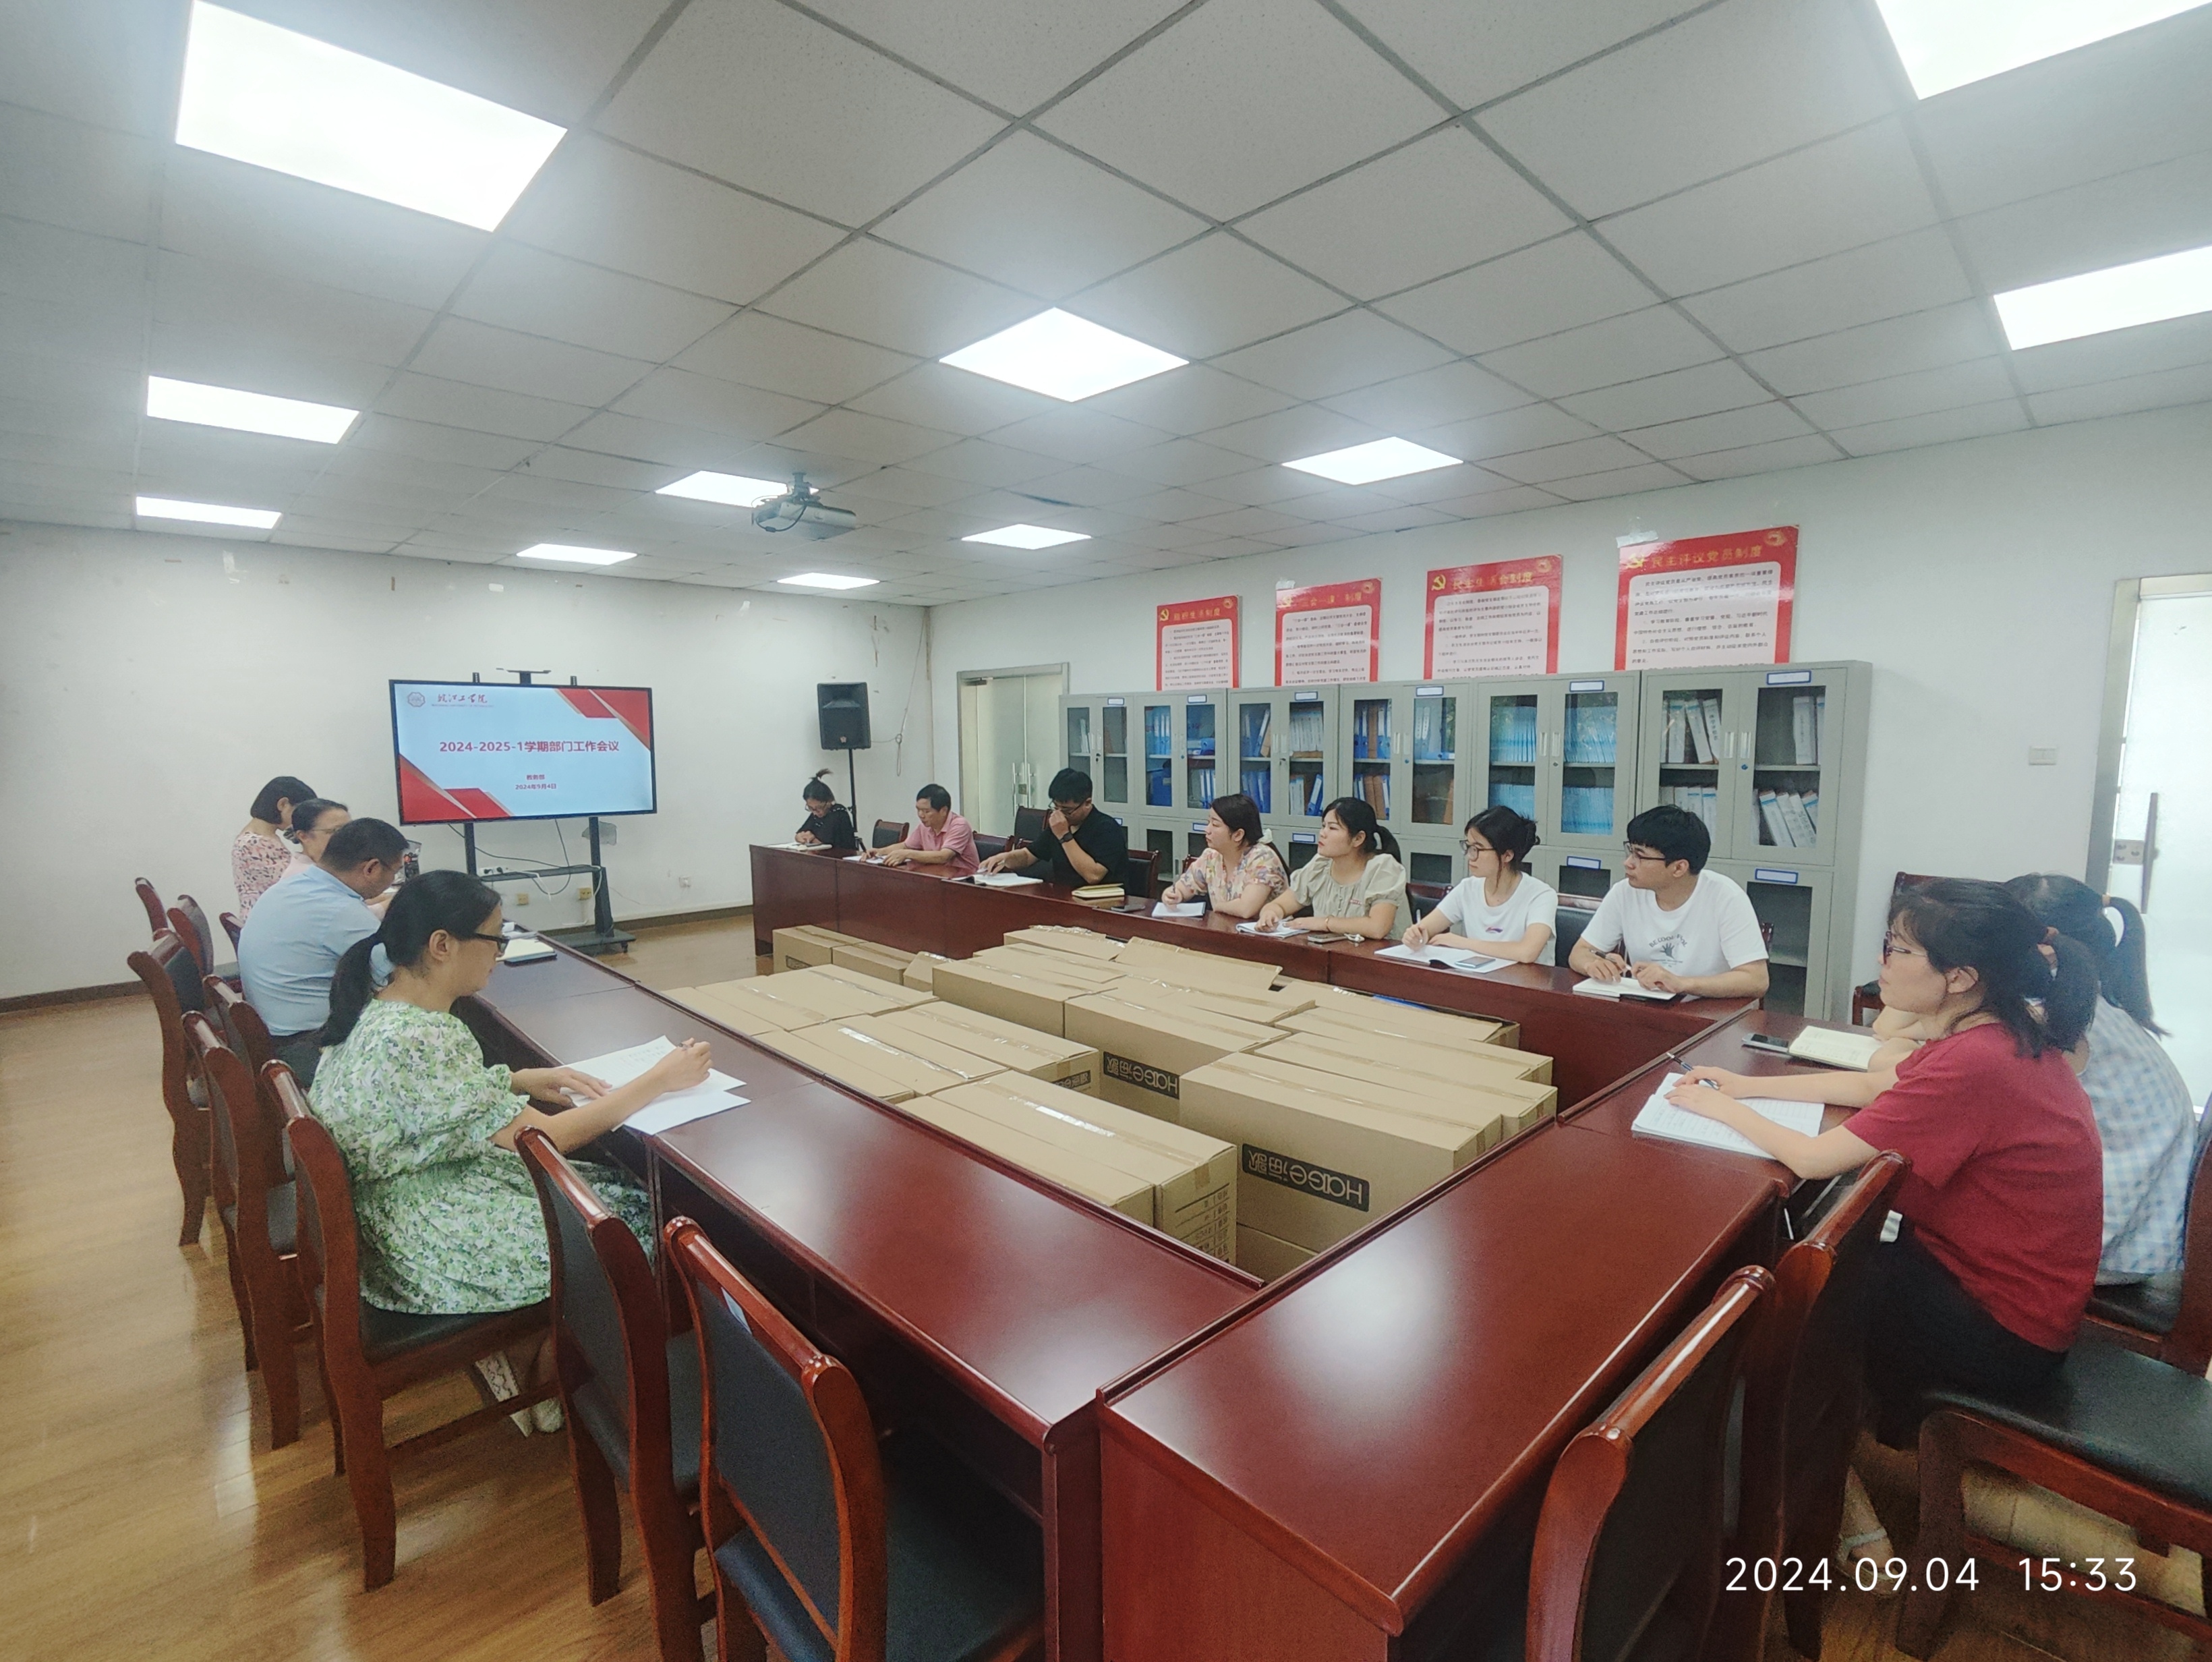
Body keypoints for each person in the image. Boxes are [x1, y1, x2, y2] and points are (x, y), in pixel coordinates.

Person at [1668, 879, 2103, 1454]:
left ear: (1960, 978)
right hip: (1984, 1283)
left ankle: (1797, 1466)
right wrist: (1745, 1087)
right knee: (1806, 1268)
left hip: (2002, 1327)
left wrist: (1722, 1110)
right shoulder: (1993, 1032)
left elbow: (1813, 1159)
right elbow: (1876, 1085)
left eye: (1898, 949)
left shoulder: (1979, 1060)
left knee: (1780, 1294)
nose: (1883, 962)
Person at [310, 870, 711, 1430]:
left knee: (610, 1191)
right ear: (443, 945)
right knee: (630, 1225)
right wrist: (659, 1080)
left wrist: (519, 1079)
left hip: (393, 1214)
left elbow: (430, 1100)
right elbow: (546, 1140)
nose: (500, 954)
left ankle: (530, 1352)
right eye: (494, 939)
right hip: (423, 1239)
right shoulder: (424, 1035)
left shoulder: (381, 1008)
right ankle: (548, 1375)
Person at [2007, 873, 2193, 1284]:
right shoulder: (2091, 1000)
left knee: (1907, 1214)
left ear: (2044, 946)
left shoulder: (2055, 1016)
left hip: (2107, 1243)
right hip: (2135, 1230)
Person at [237, 817, 407, 1084]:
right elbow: (399, 981)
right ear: (372, 868)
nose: (392, 880)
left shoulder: (291, 887)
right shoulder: (340, 911)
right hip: (302, 1046)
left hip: (269, 1034)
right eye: (394, 871)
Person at [1567, 805, 1769, 998]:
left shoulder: (1726, 897)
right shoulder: (1625, 892)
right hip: (1646, 1006)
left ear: (1679, 868)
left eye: (1640, 856)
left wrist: (1683, 984)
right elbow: (1580, 952)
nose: (1628, 863)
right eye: (1630, 851)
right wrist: (1593, 964)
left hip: (1708, 1010)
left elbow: (1756, 980)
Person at [1402, 805, 1558, 965]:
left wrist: (1463, 943)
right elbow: (1425, 929)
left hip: (1526, 979)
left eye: (1477, 849)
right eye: (1469, 847)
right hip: (1479, 976)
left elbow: (1527, 953)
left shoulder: (1541, 895)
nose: (1470, 856)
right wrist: (1415, 936)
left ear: (1507, 855)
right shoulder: (1468, 888)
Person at [1256, 797, 1408, 942]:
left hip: (1377, 957)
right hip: (1333, 953)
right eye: (1323, 826)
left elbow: (1377, 928)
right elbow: (1280, 905)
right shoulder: (1321, 865)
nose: (1323, 833)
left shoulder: (1383, 868)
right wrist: (1270, 913)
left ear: (1358, 839)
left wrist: (1323, 923)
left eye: (1333, 828)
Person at [976, 768, 1128, 888]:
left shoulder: (1107, 828)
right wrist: (1004, 859)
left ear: (1087, 803)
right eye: (1056, 807)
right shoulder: (1057, 827)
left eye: (1067, 810)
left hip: (1102, 903)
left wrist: (1065, 836)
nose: (1060, 814)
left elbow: (1093, 876)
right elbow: (1029, 856)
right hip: (1063, 897)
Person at [1160, 793, 1288, 920]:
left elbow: (1246, 909)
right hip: (1226, 929)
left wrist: (1218, 907)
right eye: (1208, 822)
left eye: (1215, 825)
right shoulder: (1211, 856)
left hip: (1267, 931)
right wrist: (1175, 894)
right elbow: (1184, 887)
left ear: (1238, 835)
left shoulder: (1263, 859)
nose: (1207, 830)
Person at [232, 774, 316, 917]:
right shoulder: (256, 844)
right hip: (266, 920)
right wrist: (310, 843)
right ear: (283, 804)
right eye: (299, 812)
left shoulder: (259, 838)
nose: (301, 819)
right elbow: (300, 883)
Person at [877, 783, 977, 876]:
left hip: (964, 880)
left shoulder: (960, 825)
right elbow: (905, 846)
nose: (921, 815)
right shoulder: (924, 826)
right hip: (935, 875)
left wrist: (907, 854)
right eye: (918, 810)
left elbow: (944, 856)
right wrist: (880, 852)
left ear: (943, 811)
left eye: (927, 811)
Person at [793, 770, 860, 851]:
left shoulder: (839, 813)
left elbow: (823, 844)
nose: (815, 812)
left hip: (842, 856)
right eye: (811, 808)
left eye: (819, 807)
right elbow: (799, 834)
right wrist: (800, 837)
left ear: (829, 801)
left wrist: (811, 838)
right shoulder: (816, 814)